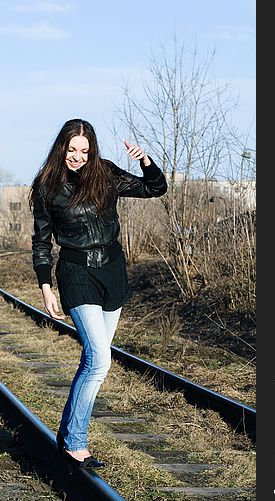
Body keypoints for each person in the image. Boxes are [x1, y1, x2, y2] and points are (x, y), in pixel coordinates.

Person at [30, 118, 167, 471]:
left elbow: (155, 189)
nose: (78, 157)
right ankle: (75, 443)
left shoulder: (104, 174)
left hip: (112, 271)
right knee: (99, 360)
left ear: (92, 152)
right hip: (76, 273)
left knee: (93, 362)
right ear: (62, 148)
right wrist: (46, 287)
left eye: (84, 151)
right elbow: (42, 242)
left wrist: (146, 161)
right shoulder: (46, 185)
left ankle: (67, 433)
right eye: (72, 150)